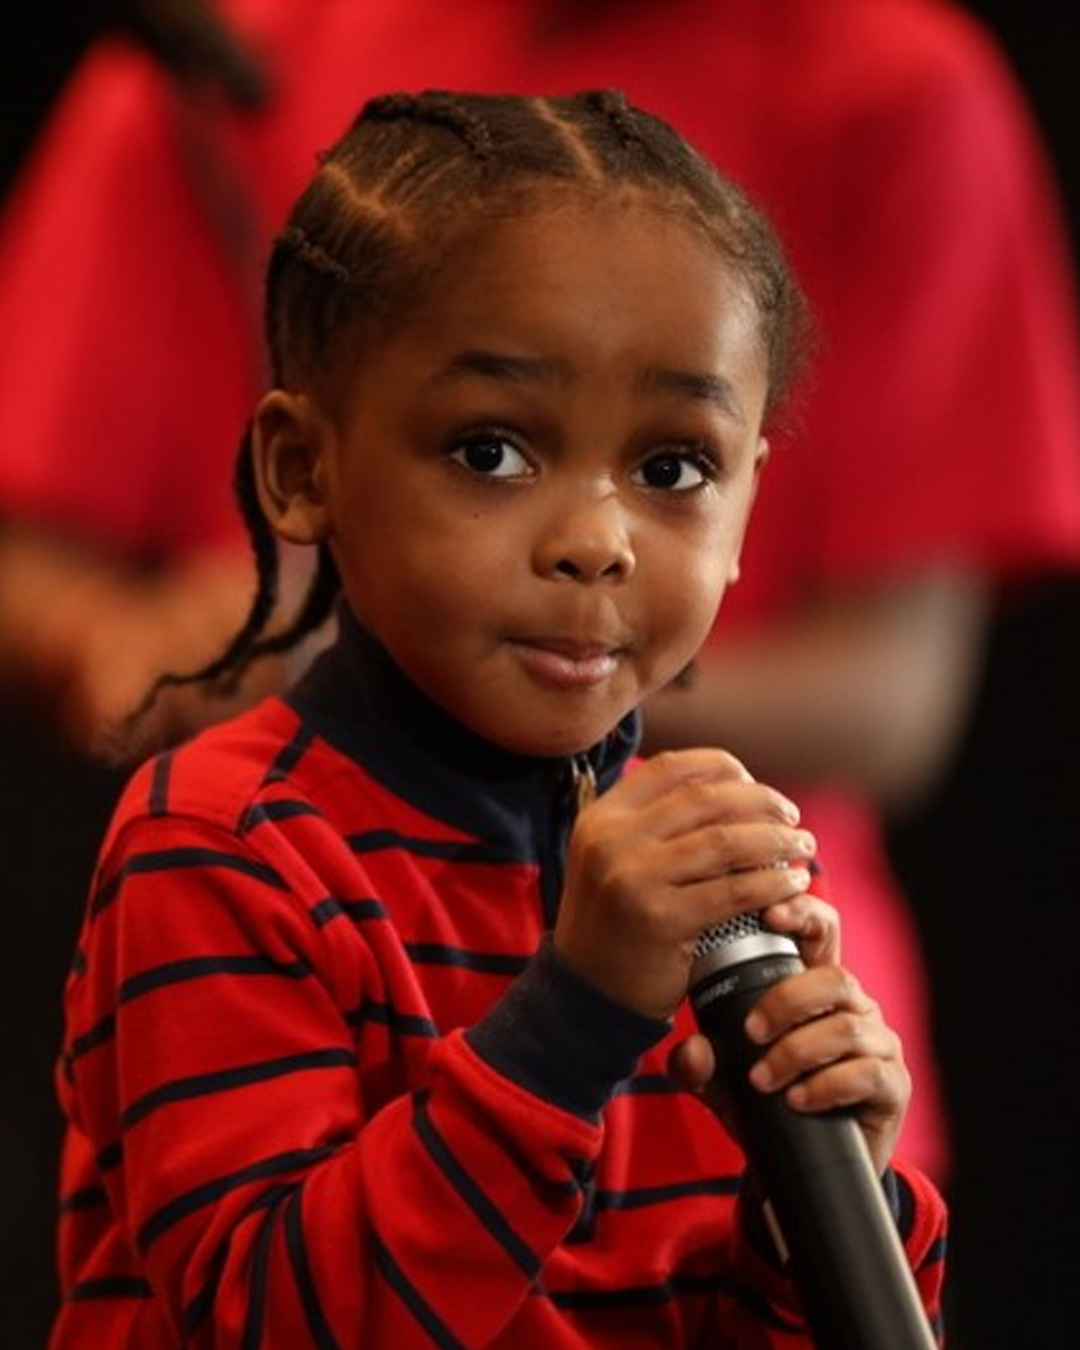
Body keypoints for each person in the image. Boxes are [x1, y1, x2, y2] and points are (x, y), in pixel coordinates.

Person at [4, 1, 1080, 1339]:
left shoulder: (718, 887)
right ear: (302, 467)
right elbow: (278, 1314)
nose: (594, 540)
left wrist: (829, 1198)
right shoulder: (222, 849)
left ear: (749, 505)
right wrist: (573, 1016)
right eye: (491, 451)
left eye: (673, 468)